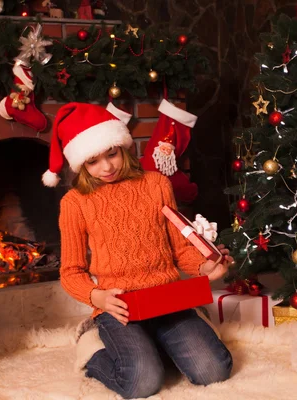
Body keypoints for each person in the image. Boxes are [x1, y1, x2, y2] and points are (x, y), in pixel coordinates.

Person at [42, 102, 233, 399]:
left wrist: (205, 267)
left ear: (123, 147)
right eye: (93, 161)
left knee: (214, 370)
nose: (106, 167)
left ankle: (159, 344)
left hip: (167, 298)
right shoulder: (75, 202)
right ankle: (93, 351)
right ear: (80, 165)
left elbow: (181, 248)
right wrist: (98, 298)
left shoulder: (157, 184)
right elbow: (70, 271)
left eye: (112, 154)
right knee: (142, 382)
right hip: (118, 305)